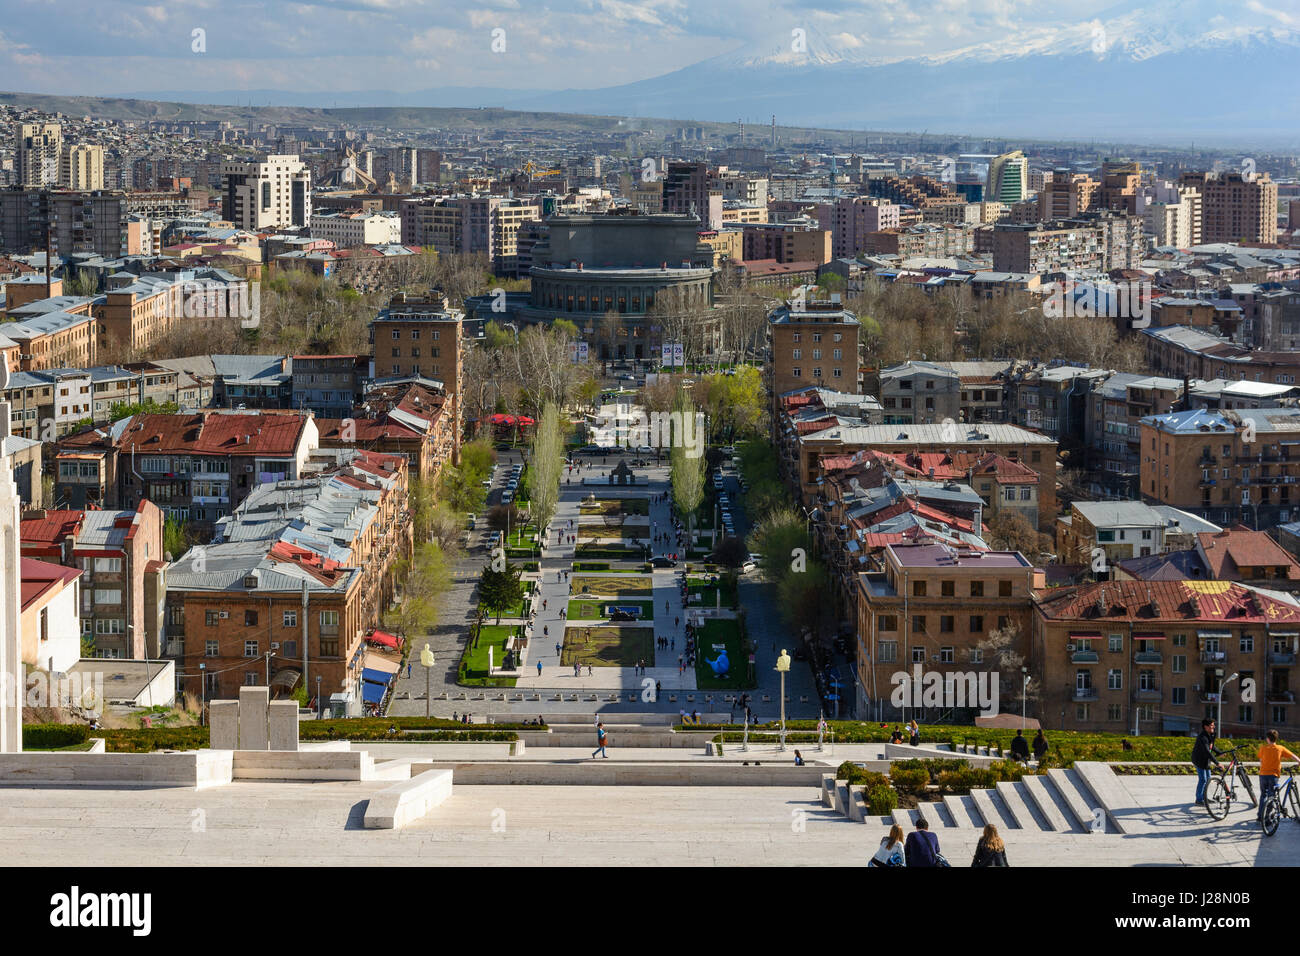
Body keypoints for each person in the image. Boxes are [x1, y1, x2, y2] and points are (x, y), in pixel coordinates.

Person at [1257, 729, 1300, 823]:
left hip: (1263, 775)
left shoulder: (1263, 748)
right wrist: (1299, 761)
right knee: (1271, 796)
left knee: (1263, 795)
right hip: (1273, 775)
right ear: (1276, 738)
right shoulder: (1280, 748)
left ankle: (1260, 816)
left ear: (1267, 739)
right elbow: (1293, 756)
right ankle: (1267, 818)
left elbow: (1261, 761)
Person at [1192, 717, 1223, 807]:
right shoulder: (1203, 737)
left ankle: (1204, 798)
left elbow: (1211, 746)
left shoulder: (1212, 734)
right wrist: (1217, 763)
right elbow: (1207, 751)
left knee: (1208, 779)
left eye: (1214, 725)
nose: (1213, 727)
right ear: (1205, 727)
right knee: (1203, 779)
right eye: (1211, 725)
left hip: (1206, 759)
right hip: (1199, 760)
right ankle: (1199, 800)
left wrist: (1219, 752)